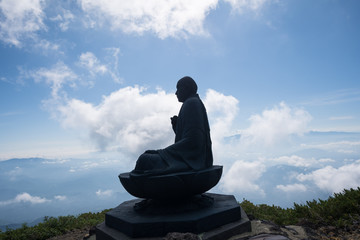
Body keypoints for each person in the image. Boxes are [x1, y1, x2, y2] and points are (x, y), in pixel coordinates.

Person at [132, 76, 213, 175]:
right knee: (147, 155)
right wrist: (177, 128)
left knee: (144, 159)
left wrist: (163, 152)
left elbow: (194, 141)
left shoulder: (192, 103)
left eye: (178, 88)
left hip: (192, 161)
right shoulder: (191, 102)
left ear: (186, 88)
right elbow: (190, 137)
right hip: (188, 158)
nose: (176, 93)